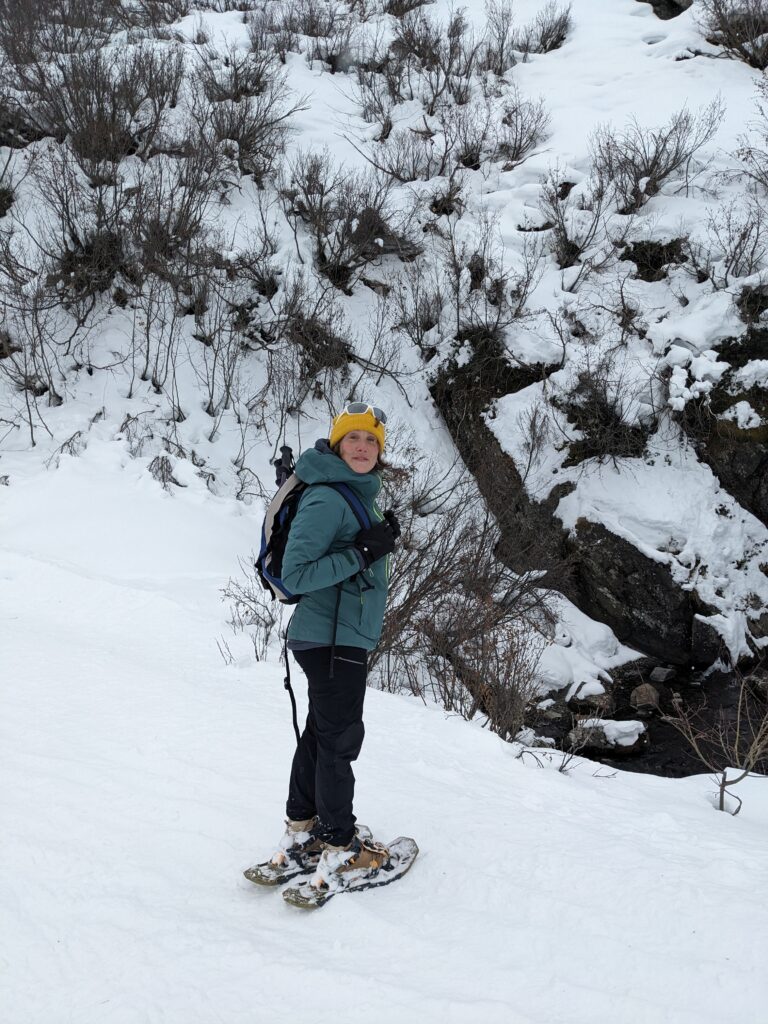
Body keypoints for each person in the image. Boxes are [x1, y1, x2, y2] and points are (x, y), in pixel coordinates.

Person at [269, 403, 400, 890]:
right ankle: (340, 842)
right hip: (330, 639)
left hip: (333, 635)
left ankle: (303, 825)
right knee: (339, 741)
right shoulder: (327, 497)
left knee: (321, 735)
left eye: (371, 440)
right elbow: (296, 574)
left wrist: (374, 540)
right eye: (353, 439)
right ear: (338, 444)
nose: (362, 447)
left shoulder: (354, 493)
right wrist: (365, 550)